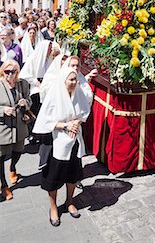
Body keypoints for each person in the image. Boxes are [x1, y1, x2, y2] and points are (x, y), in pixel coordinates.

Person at [33, 68, 91, 226]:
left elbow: (85, 111)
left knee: (73, 175)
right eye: (71, 80)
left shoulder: (78, 93)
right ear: (63, 80)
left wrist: (76, 123)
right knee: (54, 178)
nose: (74, 82)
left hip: (74, 142)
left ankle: (69, 201)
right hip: (57, 144)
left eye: (75, 79)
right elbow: (45, 121)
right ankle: (53, 207)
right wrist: (65, 125)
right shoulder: (54, 95)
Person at [0, 60, 31, 200]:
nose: (10, 75)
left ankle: (13, 168)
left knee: (19, 151)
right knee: (0, 158)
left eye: (13, 71)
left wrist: (26, 103)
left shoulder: (22, 83)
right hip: (3, 128)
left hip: (19, 125)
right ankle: (4, 186)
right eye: (7, 71)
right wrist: (2, 110)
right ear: (2, 71)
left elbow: (29, 100)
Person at [19, 40, 53, 143]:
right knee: (35, 110)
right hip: (35, 88)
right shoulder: (33, 59)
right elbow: (24, 74)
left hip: (46, 88)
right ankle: (32, 133)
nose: (50, 50)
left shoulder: (49, 59)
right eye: (49, 48)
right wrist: (35, 82)